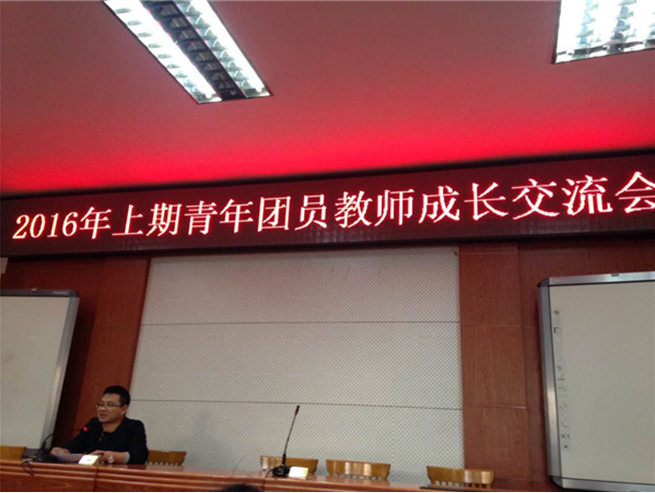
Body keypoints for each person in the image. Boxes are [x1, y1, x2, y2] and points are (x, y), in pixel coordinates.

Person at [50, 385, 148, 464]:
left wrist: (108, 456)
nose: (102, 409)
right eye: (100, 404)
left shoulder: (134, 427)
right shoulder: (93, 425)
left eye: (110, 405)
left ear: (123, 409)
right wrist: (63, 451)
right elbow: (75, 445)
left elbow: (139, 456)